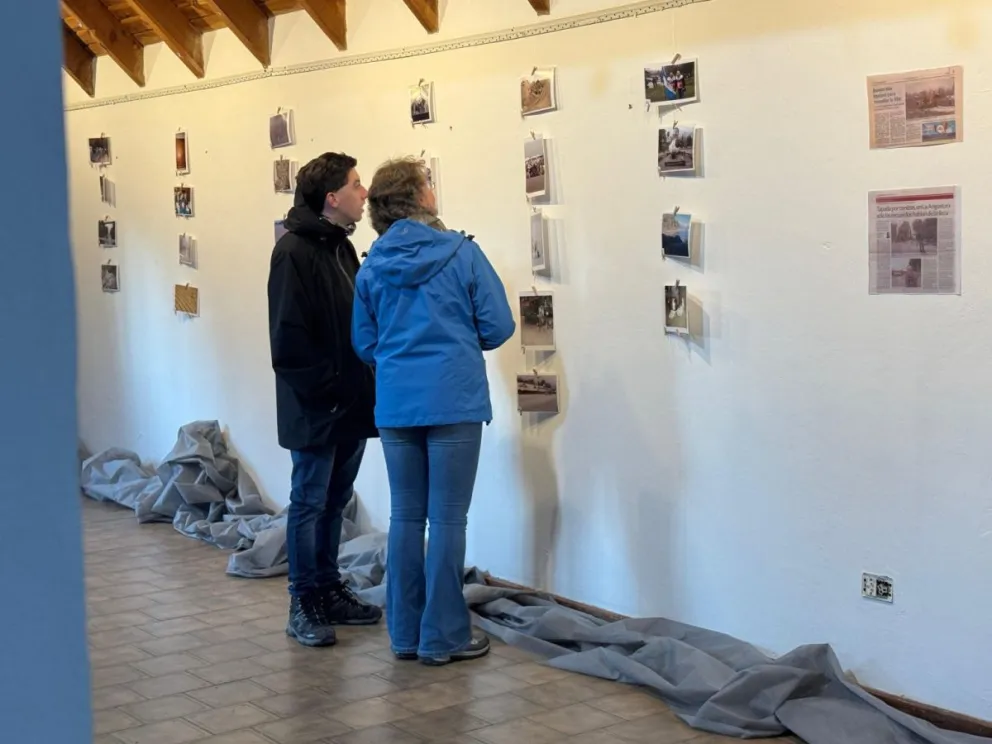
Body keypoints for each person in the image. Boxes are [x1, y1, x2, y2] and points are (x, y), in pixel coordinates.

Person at [351, 157, 515, 665]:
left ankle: (403, 634)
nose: (433, 189)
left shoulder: (372, 264)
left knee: (405, 517)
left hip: (398, 404)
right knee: (447, 520)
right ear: (417, 196)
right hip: (454, 401)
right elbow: (499, 326)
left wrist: (401, 364)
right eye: (428, 183)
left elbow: (364, 342)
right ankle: (442, 636)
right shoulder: (462, 254)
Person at [267, 152, 382, 648]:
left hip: (350, 403)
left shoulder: (342, 249)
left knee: (336, 500)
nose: (364, 194)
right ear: (333, 197)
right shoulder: (293, 252)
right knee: (309, 502)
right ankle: (303, 600)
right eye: (357, 185)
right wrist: (330, 392)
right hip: (318, 407)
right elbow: (288, 341)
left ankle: (329, 589)